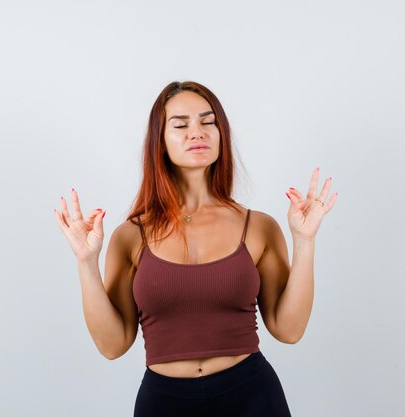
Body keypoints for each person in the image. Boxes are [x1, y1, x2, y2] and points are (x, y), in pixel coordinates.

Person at [54, 81, 337, 416]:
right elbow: (113, 346)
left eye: (208, 121)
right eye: (180, 124)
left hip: (253, 398)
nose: (197, 132)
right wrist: (86, 262)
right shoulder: (130, 236)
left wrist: (304, 240)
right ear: (160, 142)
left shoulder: (259, 227)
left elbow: (289, 330)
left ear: (221, 134)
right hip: (164, 402)